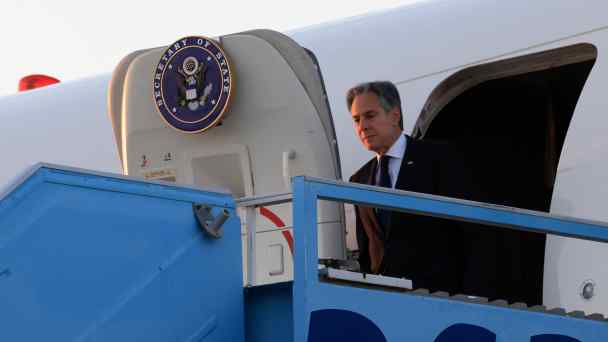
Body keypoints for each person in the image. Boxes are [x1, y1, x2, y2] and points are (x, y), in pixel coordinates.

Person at [346, 81, 493, 295]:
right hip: (386, 301)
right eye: (356, 120)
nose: (362, 126)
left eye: (370, 116)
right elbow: (369, 251)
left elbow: (474, 232)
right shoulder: (358, 180)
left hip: (441, 296)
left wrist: (474, 297)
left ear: (395, 115)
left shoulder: (438, 158)